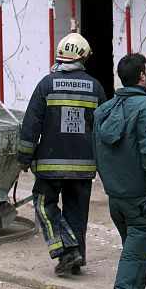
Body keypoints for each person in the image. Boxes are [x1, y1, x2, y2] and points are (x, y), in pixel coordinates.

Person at [16, 32, 106, 276]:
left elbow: (31, 124)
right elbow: (103, 128)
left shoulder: (47, 84)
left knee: (43, 204)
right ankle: (77, 257)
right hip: (85, 166)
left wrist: (24, 157)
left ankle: (67, 251)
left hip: (50, 163)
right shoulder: (95, 87)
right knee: (77, 212)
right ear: (84, 57)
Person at [93, 53, 146, 289]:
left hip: (115, 195)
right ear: (143, 77)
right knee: (139, 244)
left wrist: (109, 182)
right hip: (138, 194)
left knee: (134, 245)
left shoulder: (107, 108)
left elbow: (96, 152)